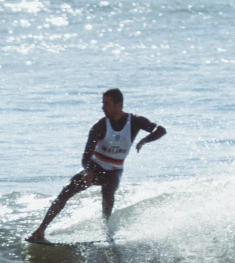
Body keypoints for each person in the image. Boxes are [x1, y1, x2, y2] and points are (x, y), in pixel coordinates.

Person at [26, 88, 166, 243]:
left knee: (108, 198)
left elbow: (160, 130)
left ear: (118, 105)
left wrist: (145, 140)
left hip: (114, 171)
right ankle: (41, 230)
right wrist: (88, 171)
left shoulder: (135, 121)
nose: (103, 107)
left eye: (107, 104)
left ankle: (107, 235)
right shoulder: (99, 126)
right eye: (103, 103)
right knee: (66, 192)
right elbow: (86, 155)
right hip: (95, 167)